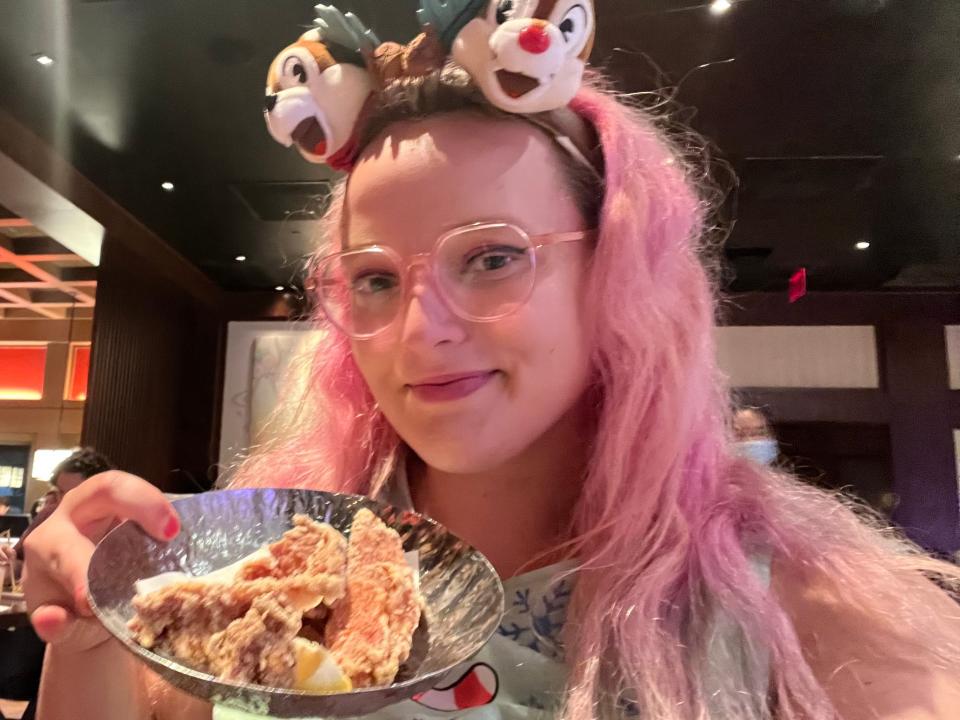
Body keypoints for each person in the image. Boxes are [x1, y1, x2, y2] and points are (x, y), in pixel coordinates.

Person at [21, 6, 960, 720]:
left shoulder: (800, 614)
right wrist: (92, 640)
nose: (421, 330)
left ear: (616, 276)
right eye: (376, 280)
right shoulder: (264, 566)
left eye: (493, 257)